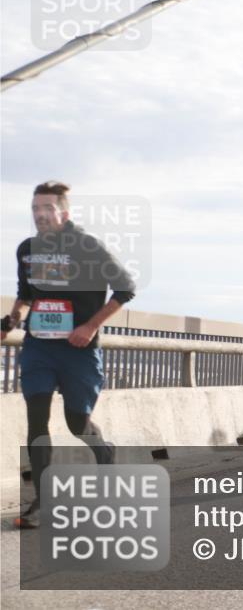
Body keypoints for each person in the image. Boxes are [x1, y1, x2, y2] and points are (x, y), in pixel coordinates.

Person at [5, 181, 134, 529]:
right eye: (35, 209)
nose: (40, 215)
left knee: (78, 423)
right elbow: (25, 294)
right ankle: (42, 502)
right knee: (37, 418)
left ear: (64, 211)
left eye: (47, 208)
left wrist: (90, 327)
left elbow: (126, 289)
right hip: (39, 347)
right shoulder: (27, 250)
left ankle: (104, 454)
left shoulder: (88, 247)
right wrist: (11, 319)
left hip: (78, 351)